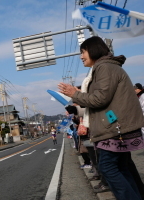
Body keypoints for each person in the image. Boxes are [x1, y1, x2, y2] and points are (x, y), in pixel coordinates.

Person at [58, 36, 144, 200]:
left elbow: (99, 99)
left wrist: (74, 93)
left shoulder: (104, 67)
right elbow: (100, 98)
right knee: (121, 167)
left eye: (83, 52)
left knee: (107, 167)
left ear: (93, 49)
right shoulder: (106, 67)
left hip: (113, 128)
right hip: (116, 126)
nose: (81, 56)